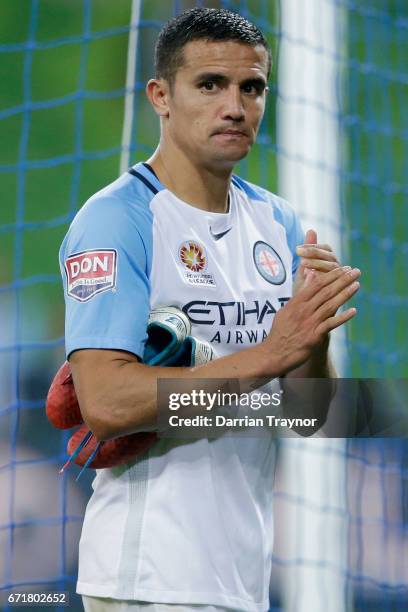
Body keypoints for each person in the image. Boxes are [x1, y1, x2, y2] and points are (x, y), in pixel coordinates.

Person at [59, 8, 360, 612]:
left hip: (242, 578)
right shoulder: (117, 219)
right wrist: (268, 354)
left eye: (252, 87)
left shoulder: (278, 223)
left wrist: (310, 340)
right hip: (144, 577)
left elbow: (308, 415)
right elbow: (108, 404)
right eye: (210, 85)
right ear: (161, 97)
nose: (235, 106)